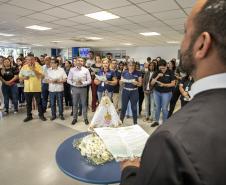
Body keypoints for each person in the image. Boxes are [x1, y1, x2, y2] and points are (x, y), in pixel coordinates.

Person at [120, 1, 226, 185]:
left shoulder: (170, 140)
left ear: (202, 44)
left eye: (185, 32)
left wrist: (130, 171)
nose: (182, 41)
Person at [19, 53, 46, 122]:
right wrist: (24, 78)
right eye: (28, 60)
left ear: (34, 59)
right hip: (27, 89)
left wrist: (34, 69)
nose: (30, 61)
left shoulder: (38, 66)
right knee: (28, 103)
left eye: (31, 59)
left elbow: (42, 76)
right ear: (26, 60)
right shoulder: (24, 67)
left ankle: (41, 115)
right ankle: (29, 116)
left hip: (36, 88)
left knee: (39, 103)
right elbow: (20, 78)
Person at [150, 59, 176, 127]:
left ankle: (165, 123)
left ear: (166, 66)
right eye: (160, 68)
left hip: (167, 93)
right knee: (157, 107)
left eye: (163, 68)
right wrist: (157, 76)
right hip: (156, 92)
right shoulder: (156, 72)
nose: (162, 70)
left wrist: (164, 85)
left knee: (164, 108)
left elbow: (173, 84)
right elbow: (152, 83)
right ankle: (156, 121)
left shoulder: (170, 72)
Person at [67, 57, 91, 125]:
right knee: (75, 104)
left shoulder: (86, 70)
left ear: (83, 62)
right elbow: (68, 80)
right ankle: (75, 118)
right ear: (76, 62)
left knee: (84, 104)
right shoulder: (72, 70)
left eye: (81, 61)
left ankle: (85, 118)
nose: (80, 62)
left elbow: (89, 80)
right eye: (78, 61)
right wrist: (75, 83)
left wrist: (83, 83)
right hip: (75, 88)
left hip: (83, 89)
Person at [120, 60, 142, 125]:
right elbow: (121, 83)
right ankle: (121, 121)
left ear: (134, 66)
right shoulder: (124, 72)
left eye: (133, 65)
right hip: (125, 91)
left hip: (134, 91)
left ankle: (135, 123)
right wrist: (121, 82)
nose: (131, 67)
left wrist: (137, 83)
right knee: (123, 107)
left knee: (134, 108)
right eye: (130, 65)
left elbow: (140, 84)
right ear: (127, 66)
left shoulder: (138, 73)